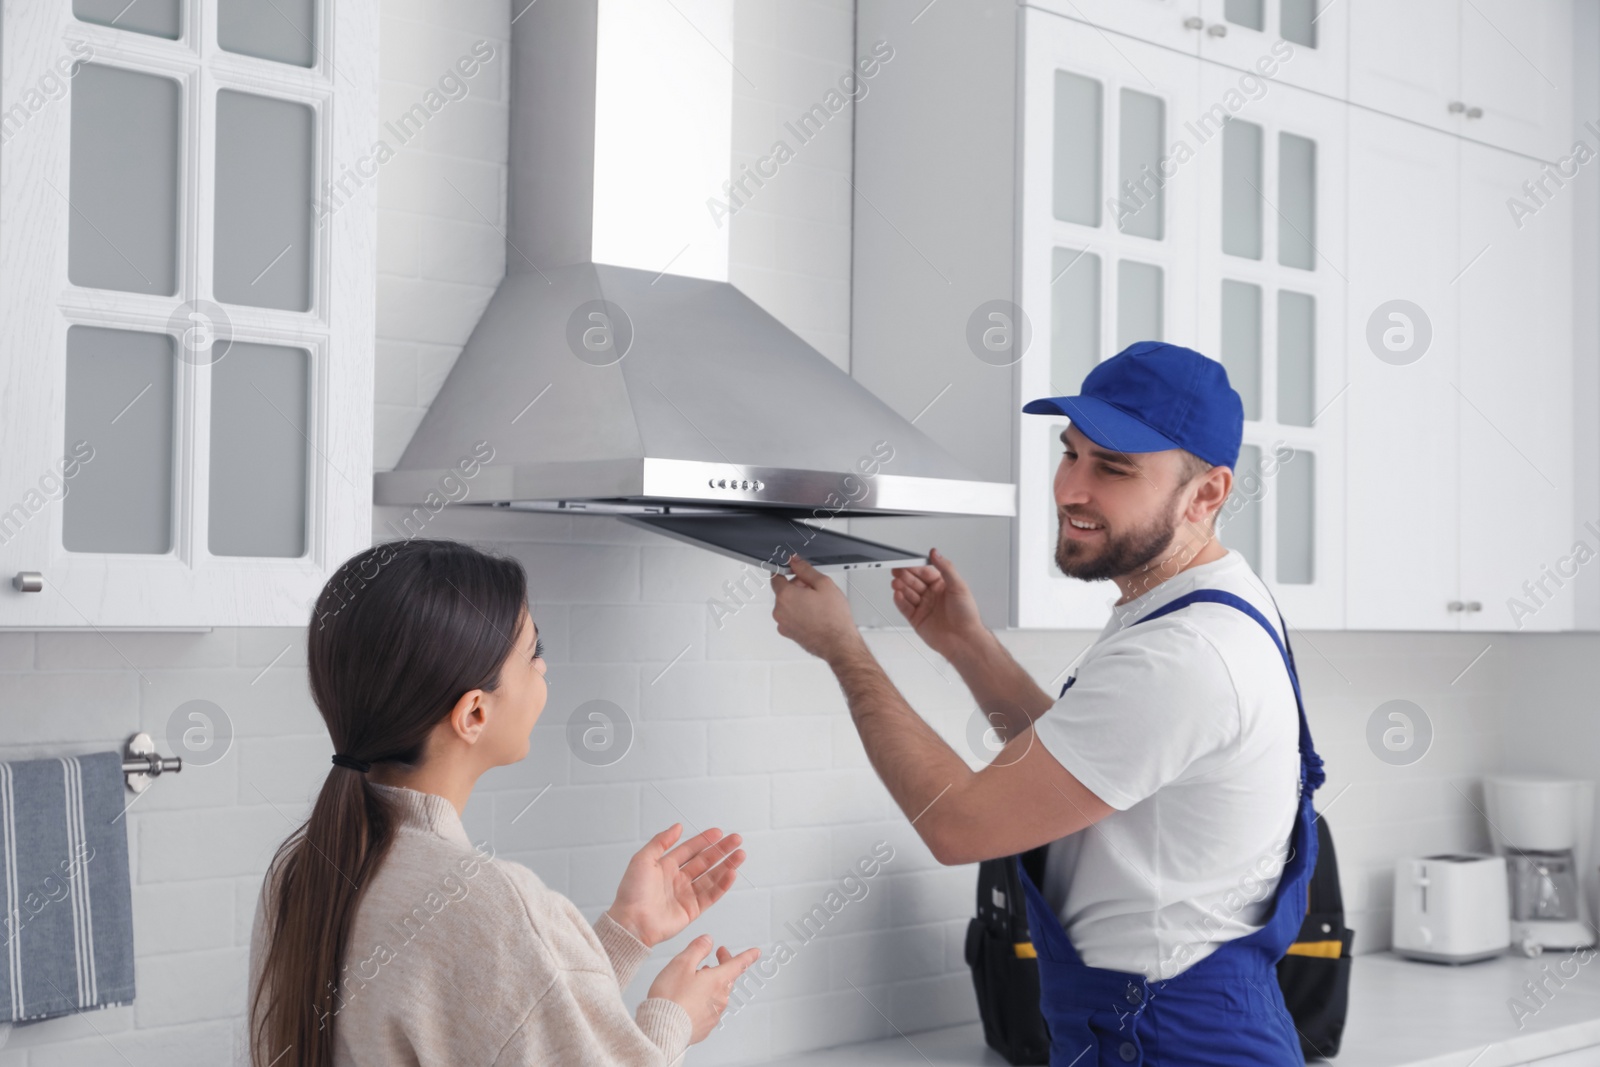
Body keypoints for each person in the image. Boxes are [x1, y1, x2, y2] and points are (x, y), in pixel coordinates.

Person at [769, 341, 1324, 1065]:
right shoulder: (1196, 603)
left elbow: (959, 826)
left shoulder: (1187, 653)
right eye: (1072, 453)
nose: (1071, 489)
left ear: (1208, 494)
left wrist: (844, 650)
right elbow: (1083, 768)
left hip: (1174, 1043)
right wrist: (965, 643)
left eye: (1114, 469)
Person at [246, 538, 760, 1067]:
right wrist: (673, 1018)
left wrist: (627, 930)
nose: (542, 671)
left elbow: (487, 1020)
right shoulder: (485, 901)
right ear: (473, 715)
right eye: (534, 653)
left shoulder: (302, 870)